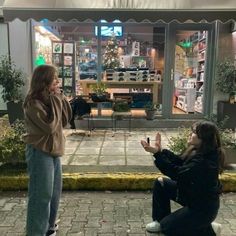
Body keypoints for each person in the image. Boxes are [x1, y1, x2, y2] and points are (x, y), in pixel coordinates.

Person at [141, 121, 225, 236]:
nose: (190, 134)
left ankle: (207, 228)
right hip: (191, 195)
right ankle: (159, 221)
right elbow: (179, 161)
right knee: (161, 183)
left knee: (167, 228)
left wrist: (158, 155)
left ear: (204, 138)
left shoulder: (205, 162)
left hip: (202, 209)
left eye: (194, 132)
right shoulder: (197, 151)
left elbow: (177, 173)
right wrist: (159, 152)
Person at [23, 65, 72, 236]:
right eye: (54, 79)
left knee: (54, 193)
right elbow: (49, 127)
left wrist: (61, 97)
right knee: (40, 196)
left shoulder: (50, 99)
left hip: (54, 151)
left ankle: (49, 228)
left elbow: (65, 119)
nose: (58, 82)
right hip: (39, 152)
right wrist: (57, 99)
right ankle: (36, 232)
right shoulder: (32, 103)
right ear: (44, 82)